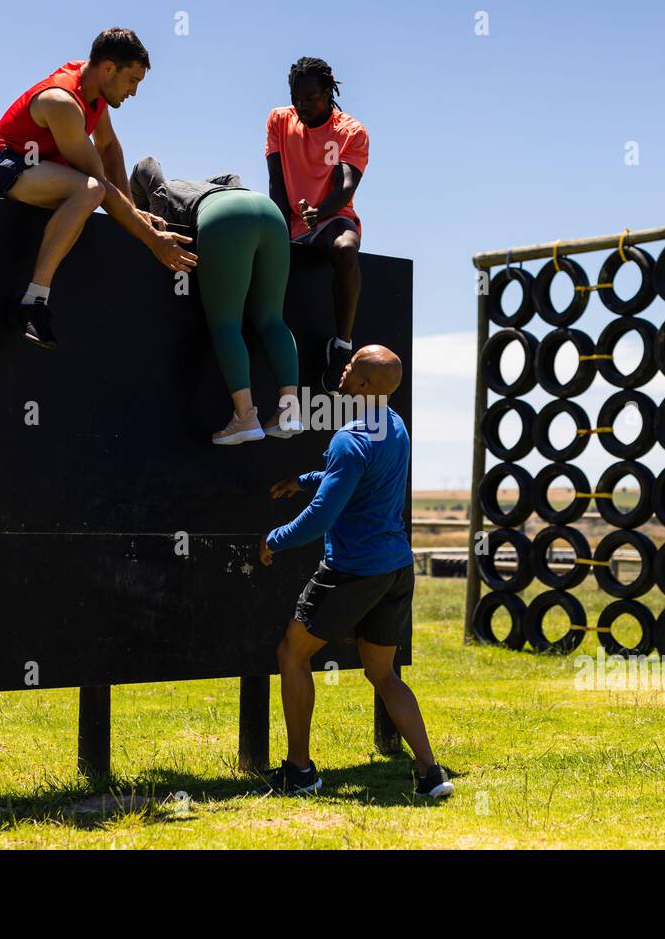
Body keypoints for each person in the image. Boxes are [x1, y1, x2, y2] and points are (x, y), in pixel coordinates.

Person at [255, 346, 453, 800]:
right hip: (396, 569)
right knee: (382, 673)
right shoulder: (394, 425)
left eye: (352, 366)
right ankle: (430, 774)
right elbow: (345, 471)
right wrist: (302, 479)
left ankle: (300, 772)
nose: (343, 367)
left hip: (352, 571)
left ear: (362, 386)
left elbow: (322, 516)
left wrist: (275, 539)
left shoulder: (350, 438)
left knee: (292, 654)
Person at [0, 27, 197, 350]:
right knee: (89, 191)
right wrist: (152, 241)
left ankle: (34, 302)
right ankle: (33, 303)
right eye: (132, 80)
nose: (134, 92)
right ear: (108, 69)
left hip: (36, 172)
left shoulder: (95, 90)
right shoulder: (63, 102)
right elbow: (98, 182)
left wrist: (138, 215)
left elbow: (109, 149)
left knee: (91, 190)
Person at [130, 157, 301, 444]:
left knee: (225, 323)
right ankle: (290, 412)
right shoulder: (207, 184)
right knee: (272, 319)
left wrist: (135, 210)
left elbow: (145, 164)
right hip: (267, 212)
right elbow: (232, 175)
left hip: (223, 217)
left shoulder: (162, 197)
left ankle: (246, 417)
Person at [265, 57, 369, 394]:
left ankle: (341, 346)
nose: (301, 105)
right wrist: (281, 233)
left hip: (332, 220)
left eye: (310, 98)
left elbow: (346, 188)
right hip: (292, 224)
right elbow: (276, 184)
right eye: (297, 98)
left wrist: (319, 211)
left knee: (346, 248)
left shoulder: (350, 131)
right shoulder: (279, 121)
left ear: (328, 92)